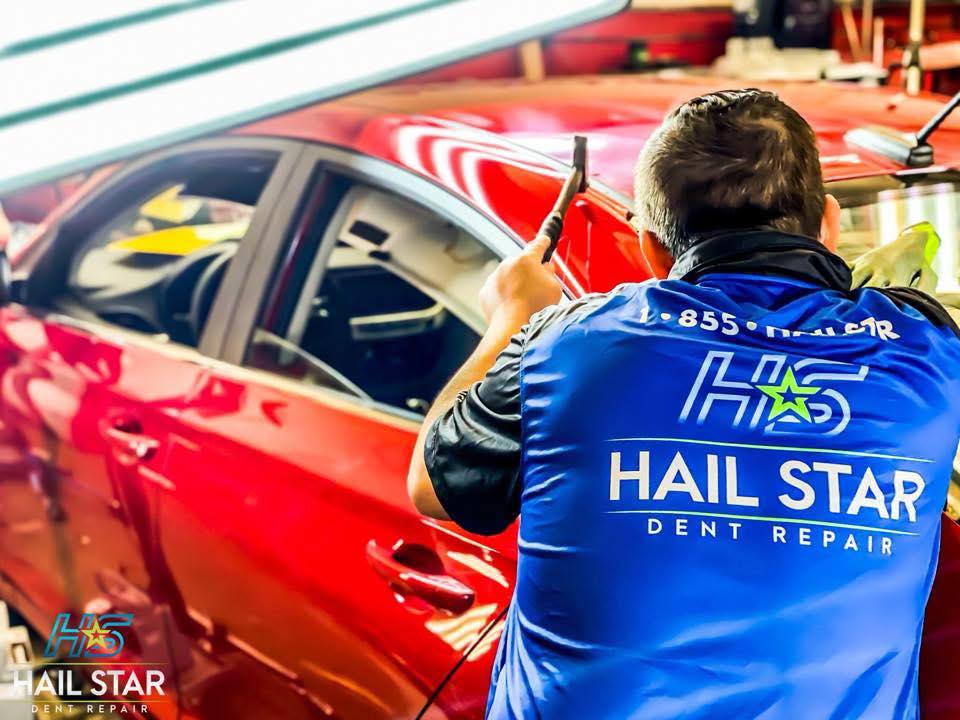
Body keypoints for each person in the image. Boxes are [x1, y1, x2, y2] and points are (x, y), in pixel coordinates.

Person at [406, 89, 960, 719]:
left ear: (650, 252)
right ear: (829, 224)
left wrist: (512, 315)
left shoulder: (568, 345)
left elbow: (433, 484)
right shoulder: (931, 349)